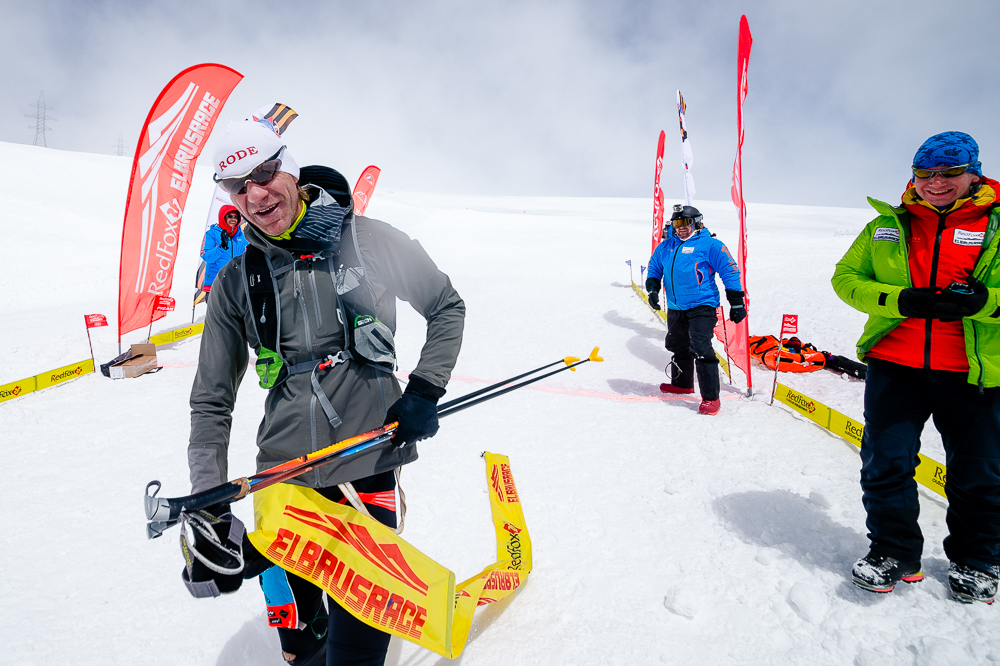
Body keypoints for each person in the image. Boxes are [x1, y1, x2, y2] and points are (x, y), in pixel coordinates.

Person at [182, 119, 466, 665]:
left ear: (288, 167)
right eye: (239, 186)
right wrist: (210, 503)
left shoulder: (369, 241)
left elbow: (446, 305)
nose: (256, 194)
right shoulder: (237, 281)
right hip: (283, 483)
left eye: (264, 174)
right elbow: (211, 400)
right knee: (301, 651)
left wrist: (425, 390)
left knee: (353, 654)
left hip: (366, 465)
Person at [832, 131, 1000, 604]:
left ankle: (978, 559)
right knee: (884, 461)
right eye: (925, 173)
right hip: (896, 364)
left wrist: (985, 301)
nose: (936, 182)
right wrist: (899, 299)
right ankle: (893, 551)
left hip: (975, 372)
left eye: (949, 173)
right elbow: (845, 280)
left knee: (978, 471)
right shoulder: (889, 225)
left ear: (973, 173)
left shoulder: (997, 224)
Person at [645, 205, 745, 415]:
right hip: (675, 306)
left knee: (700, 346)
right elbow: (655, 268)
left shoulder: (710, 245)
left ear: (697, 223)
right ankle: (682, 384)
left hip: (703, 304)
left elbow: (729, 270)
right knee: (678, 344)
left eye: (685, 224)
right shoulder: (666, 247)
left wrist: (736, 302)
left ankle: (711, 398)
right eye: (676, 224)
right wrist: (653, 290)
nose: (680, 229)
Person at [199, 205, 249, 298]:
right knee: (216, 313)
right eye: (230, 216)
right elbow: (207, 257)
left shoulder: (242, 236)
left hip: (236, 285)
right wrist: (221, 247)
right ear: (223, 217)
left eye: (236, 216)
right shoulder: (211, 234)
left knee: (236, 313)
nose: (233, 219)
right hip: (215, 285)